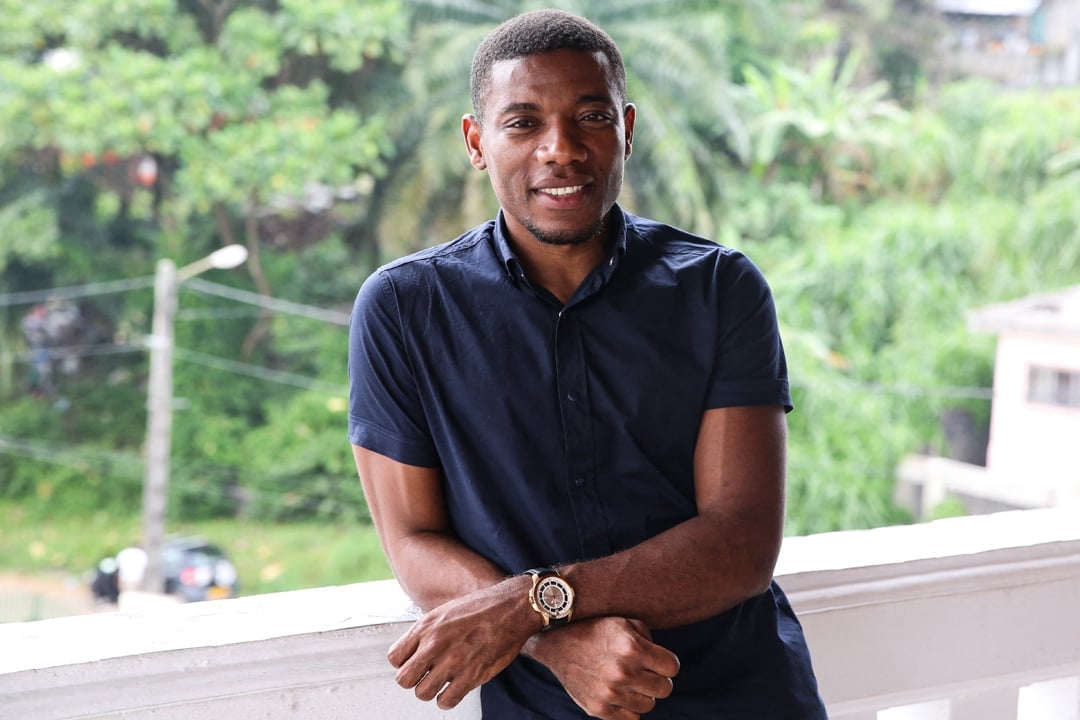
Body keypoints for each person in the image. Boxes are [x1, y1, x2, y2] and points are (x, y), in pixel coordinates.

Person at [348, 9, 826, 719]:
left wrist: (531, 602)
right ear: (476, 143)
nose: (559, 149)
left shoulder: (719, 288)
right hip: (543, 707)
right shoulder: (405, 308)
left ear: (626, 129)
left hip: (743, 697)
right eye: (523, 123)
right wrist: (553, 641)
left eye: (591, 116)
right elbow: (413, 539)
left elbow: (742, 542)